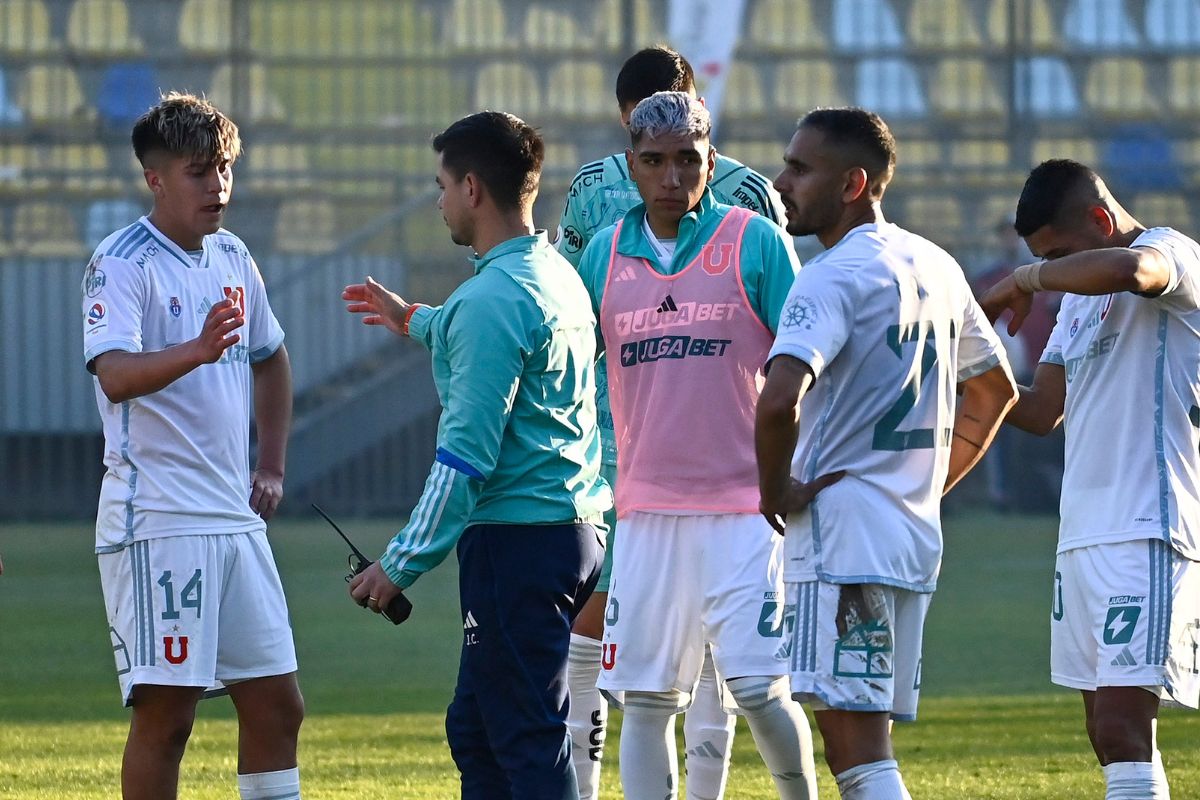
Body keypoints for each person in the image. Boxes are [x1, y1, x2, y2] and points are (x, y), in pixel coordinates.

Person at [342, 111, 612, 800]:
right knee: (480, 729)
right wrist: (413, 320)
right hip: (570, 530)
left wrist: (398, 565)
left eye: (440, 185)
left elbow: (464, 460)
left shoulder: (491, 299)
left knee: (522, 737)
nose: (436, 201)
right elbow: (491, 334)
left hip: (518, 544)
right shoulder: (552, 273)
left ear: (470, 188)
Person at [756, 107, 1016, 799]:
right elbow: (993, 391)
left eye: (801, 168)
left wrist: (772, 492)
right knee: (865, 737)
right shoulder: (935, 261)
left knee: (856, 747)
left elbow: (778, 399)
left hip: (844, 534)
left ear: (853, 183)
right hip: (909, 534)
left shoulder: (830, 276)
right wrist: (927, 485)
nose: (782, 181)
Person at [556, 45, 788, 800]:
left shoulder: (750, 226)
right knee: (654, 689)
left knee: (748, 683)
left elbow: (800, 351)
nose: (672, 175)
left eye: (687, 159)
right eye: (654, 159)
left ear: (708, 158)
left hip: (736, 490)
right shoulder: (605, 238)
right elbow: (562, 330)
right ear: (632, 157)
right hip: (639, 482)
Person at [82, 92, 302, 800]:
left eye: (226, 169)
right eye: (200, 172)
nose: (219, 187)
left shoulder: (234, 255)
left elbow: (271, 357)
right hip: (159, 523)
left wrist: (270, 464)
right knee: (168, 719)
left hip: (234, 520)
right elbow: (113, 375)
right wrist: (198, 349)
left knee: (277, 705)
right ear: (155, 178)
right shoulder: (120, 263)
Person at [980, 158, 1200, 800]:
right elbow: (1043, 410)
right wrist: (964, 370)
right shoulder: (1077, 302)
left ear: (1102, 220)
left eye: (1058, 256)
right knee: (1109, 737)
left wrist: (1025, 277)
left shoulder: (1170, 254)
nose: (1053, 277)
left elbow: (1132, 271)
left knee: (1124, 725)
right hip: (1081, 536)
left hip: (1149, 528)